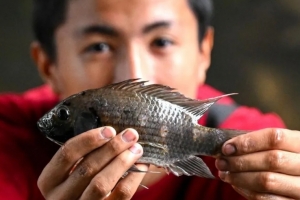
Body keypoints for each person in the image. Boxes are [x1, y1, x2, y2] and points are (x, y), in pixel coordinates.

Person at [0, 0, 299, 199]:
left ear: (203, 52)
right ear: (47, 65)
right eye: (99, 46)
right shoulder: (7, 137)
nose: (135, 71)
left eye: (162, 41)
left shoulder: (258, 150)